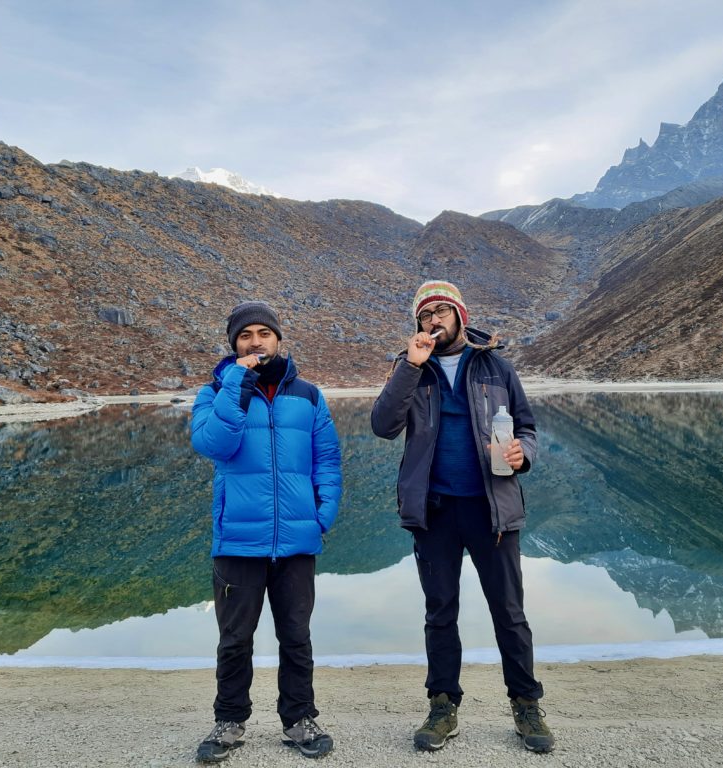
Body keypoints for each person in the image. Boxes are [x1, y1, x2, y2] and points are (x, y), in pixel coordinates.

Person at [370, 280, 554, 753]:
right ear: (418, 324)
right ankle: (443, 705)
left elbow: (528, 426)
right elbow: (383, 426)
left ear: (460, 316)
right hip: (434, 512)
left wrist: (522, 454)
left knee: (509, 613)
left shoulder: (495, 367)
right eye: (426, 313)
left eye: (442, 310)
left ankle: (526, 704)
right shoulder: (411, 369)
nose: (434, 318)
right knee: (440, 612)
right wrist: (410, 366)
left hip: (492, 511)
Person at [190, 300, 342, 762]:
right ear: (234, 344)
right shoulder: (214, 392)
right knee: (235, 639)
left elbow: (328, 460)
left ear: (279, 338)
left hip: (297, 541)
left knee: (296, 635)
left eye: (264, 333)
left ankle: (299, 720)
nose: (256, 342)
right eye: (245, 336)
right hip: (238, 540)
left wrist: (322, 515)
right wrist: (235, 382)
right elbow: (212, 444)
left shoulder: (309, 396)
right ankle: (229, 722)